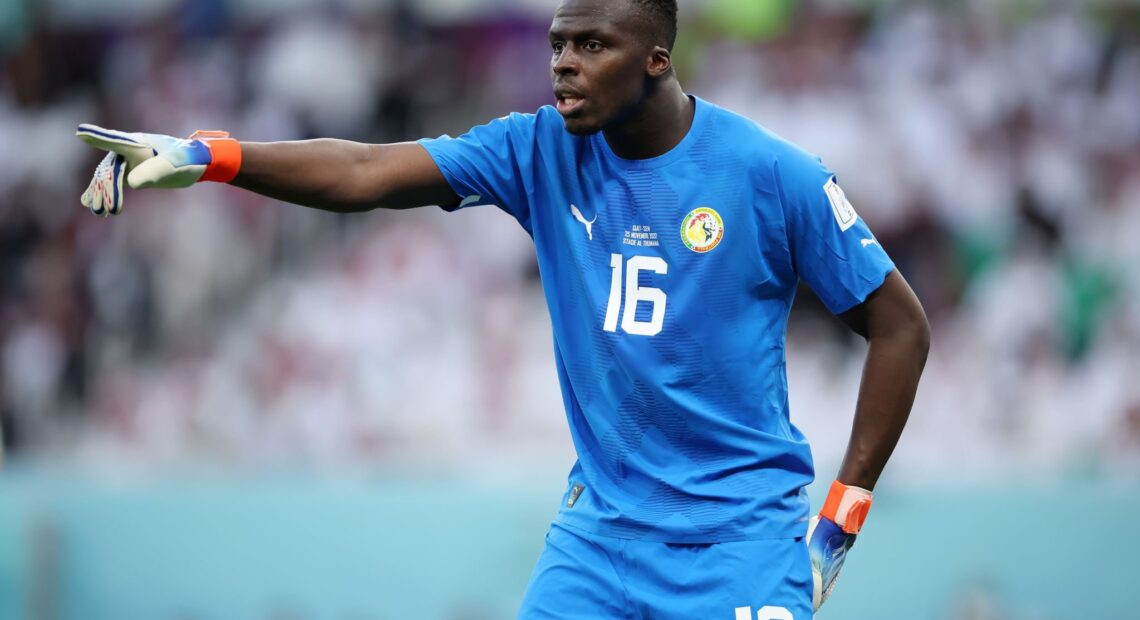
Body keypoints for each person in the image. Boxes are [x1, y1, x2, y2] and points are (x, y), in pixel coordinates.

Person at [76, 0, 930, 617]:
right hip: (599, 542)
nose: (564, 63)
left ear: (656, 59)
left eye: (592, 45)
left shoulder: (771, 174)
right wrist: (210, 155)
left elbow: (900, 327)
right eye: (558, 44)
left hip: (738, 545)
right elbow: (367, 172)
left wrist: (838, 523)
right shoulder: (536, 149)